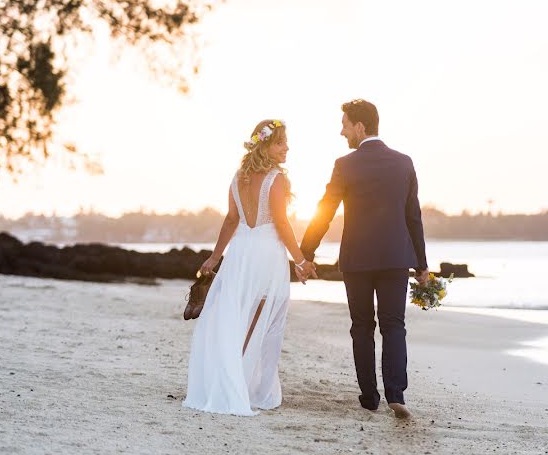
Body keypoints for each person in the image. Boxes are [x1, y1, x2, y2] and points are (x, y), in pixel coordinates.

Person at [300, 99, 428, 419]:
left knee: (361, 326)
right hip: (396, 258)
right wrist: (421, 264)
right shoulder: (404, 162)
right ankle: (396, 393)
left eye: (344, 124)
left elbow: (325, 211)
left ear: (360, 126)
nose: (341, 131)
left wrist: (306, 253)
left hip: (357, 260)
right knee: (394, 324)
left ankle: (370, 397)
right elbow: (414, 217)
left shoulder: (345, 165)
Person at [183, 119, 316, 416]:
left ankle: (234, 376)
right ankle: (243, 383)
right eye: (280, 142)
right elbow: (281, 223)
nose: (287, 148)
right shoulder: (276, 179)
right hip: (267, 253)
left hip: (241, 252)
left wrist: (216, 257)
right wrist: (301, 260)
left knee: (238, 314)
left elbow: (232, 219)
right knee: (261, 318)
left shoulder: (237, 177)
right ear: (266, 145)